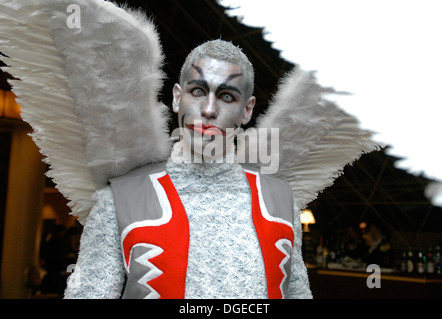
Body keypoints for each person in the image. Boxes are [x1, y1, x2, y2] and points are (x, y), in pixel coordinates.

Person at [64, 40, 313, 299]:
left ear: (247, 110)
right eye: (197, 91)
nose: (208, 110)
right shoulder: (117, 202)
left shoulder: (282, 202)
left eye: (227, 96)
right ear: (176, 97)